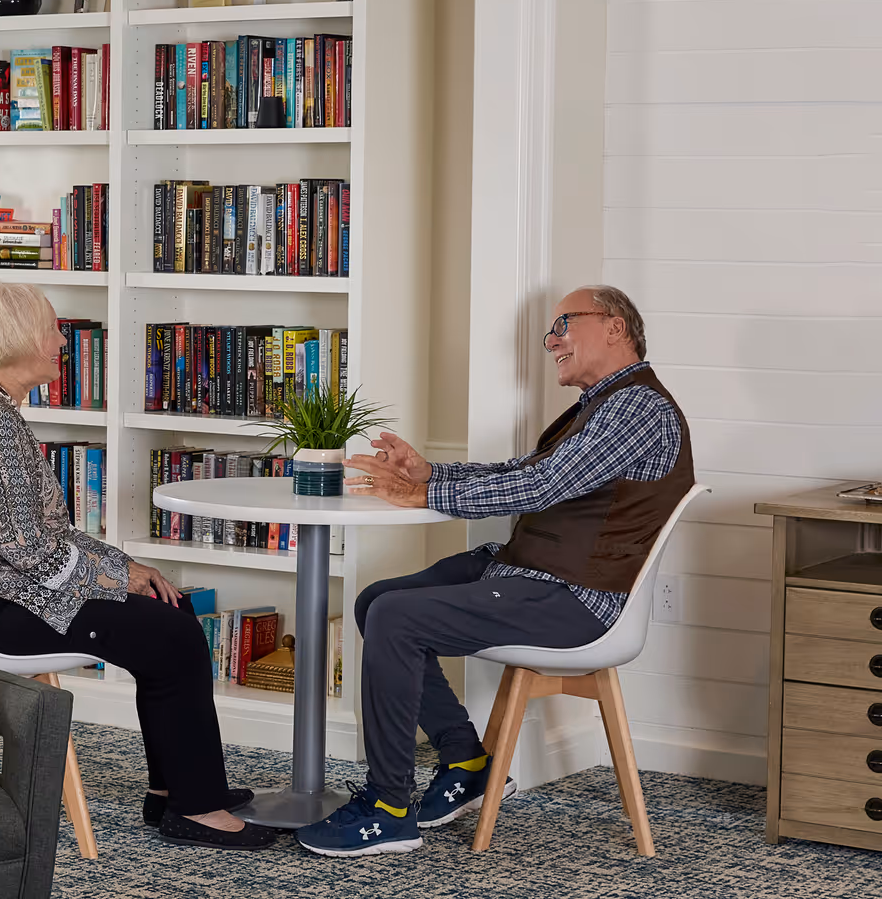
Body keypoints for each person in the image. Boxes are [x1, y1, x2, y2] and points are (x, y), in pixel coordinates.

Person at [294, 285, 693, 857]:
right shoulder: (603, 406)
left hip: (578, 599)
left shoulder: (637, 409)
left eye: (563, 323)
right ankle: (467, 761)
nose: (550, 339)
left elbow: (539, 486)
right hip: (532, 574)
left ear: (614, 327)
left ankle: (388, 809)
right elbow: (525, 470)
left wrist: (424, 492)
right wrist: (433, 472)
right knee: (376, 600)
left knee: (397, 618)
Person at [0, 279, 275, 851]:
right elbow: (29, 549)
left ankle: (175, 789)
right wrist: (114, 577)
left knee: (167, 616)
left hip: (2, 592)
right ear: (19, 338)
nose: (61, 339)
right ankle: (194, 806)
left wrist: (124, 567)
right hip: (0, 608)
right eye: (52, 328)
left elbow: (40, 538)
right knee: (175, 632)